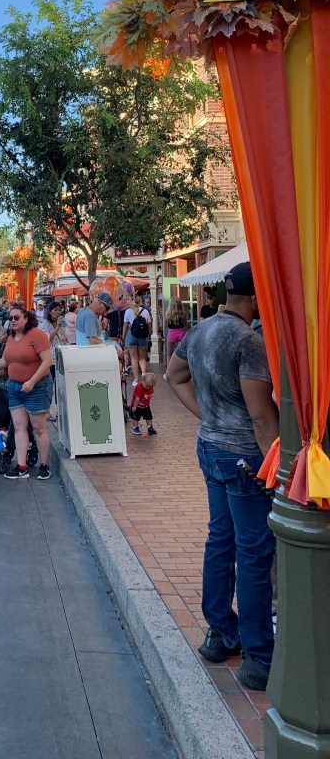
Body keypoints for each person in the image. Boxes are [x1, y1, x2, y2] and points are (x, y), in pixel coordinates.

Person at [166, 261, 278, 692]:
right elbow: (261, 416)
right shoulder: (248, 341)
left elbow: (173, 375)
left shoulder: (202, 330)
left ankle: (220, 633)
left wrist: (207, 416)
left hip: (212, 448)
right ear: (255, 296)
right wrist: (279, 470)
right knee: (253, 554)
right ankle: (259, 657)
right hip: (245, 457)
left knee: (221, 541)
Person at [0, 305, 53, 480]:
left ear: (27, 318)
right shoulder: (11, 337)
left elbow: (47, 361)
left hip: (37, 387)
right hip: (15, 387)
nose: (13, 321)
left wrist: (32, 381)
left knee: (38, 428)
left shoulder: (37, 335)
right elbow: (5, 361)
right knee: (19, 426)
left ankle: (44, 465)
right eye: (10, 318)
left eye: (17, 317)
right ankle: (21, 466)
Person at [123, 300, 152, 383]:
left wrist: (123, 337)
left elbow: (125, 326)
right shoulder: (145, 311)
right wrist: (149, 337)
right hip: (143, 336)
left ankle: (136, 380)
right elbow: (149, 327)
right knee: (142, 358)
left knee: (133, 359)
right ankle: (143, 375)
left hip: (131, 336)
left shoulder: (128, 311)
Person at [130, 370, 158, 436]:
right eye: (147, 386)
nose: (148, 388)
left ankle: (150, 427)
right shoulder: (139, 387)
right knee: (136, 417)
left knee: (149, 417)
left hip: (146, 405)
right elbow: (137, 398)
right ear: (143, 380)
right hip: (137, 406)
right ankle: (135, 427)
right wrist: (134, 406)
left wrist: (147, 402)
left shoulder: (150, 387)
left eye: (150, 386)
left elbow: (149, 395)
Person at [164, 296, 187, 362]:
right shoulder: (183, 313)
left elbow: (165, 325)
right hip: (181, 333)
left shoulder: (168, 314)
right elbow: (185, 324)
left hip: (172, 333)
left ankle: (169, 368)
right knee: (181, 354)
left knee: (169, 354)